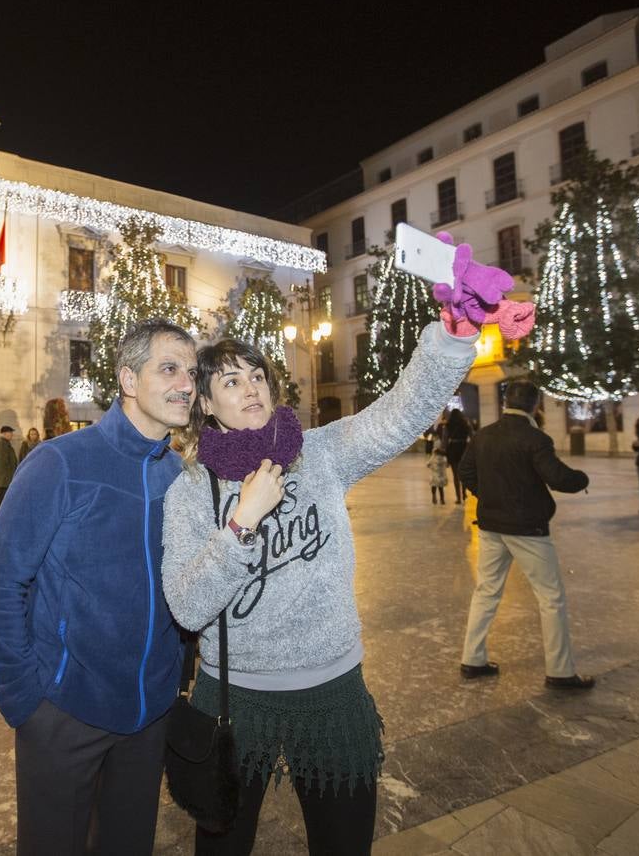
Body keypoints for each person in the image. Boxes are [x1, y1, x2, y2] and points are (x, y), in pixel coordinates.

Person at [162, 310, 477, 855]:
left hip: (332, 690)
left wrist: (452, 339)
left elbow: (400, 414)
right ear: (205, 404)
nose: (251, 388)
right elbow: (187, 607)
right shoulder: (189, 492)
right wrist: (241, 524)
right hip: (234, 698)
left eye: (257, 375)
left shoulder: (320, 453)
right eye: (231, 381)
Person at [0, 318, 197, 856]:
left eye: (191, 372)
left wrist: (172, 676)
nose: (187, 384)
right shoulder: (60, 462)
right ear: (128, 378)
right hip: (64, 711)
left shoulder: (179, 476)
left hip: (149, 715)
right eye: (169, 369)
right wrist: (26, 697)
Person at [458, 380, 594, 691]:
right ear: (535, 405)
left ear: (506, 402)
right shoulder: (535, 438)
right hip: (528, 529)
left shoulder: (484, 435)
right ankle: (560, 672)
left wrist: (488, 496)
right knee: (551, 598)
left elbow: (466, 472)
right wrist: (582, 479)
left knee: (486, 591)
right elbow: (557, 477)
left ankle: (472, 659)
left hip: (492, 526)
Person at [441, 408, 472, 504]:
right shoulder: (466, 424)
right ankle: (464, 494)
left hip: (452, 450)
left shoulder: (448, 425)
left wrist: (443, 450)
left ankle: (458, 498)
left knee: (455, 475)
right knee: (463, 473)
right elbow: (472, 436)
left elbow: (445, 440)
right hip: (463, 449)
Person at [0, 425, 18, 504]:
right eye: (10, 432)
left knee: (3, 500)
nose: (12, 434)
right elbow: (2, 462)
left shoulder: (5, 443)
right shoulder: (2, 444)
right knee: (1, 501)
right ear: (3, 434)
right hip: (4, 480)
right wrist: (9, 477)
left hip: (5, 478)